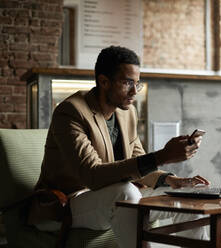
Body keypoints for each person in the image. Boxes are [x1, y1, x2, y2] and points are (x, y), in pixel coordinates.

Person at [28, 46, 210, 247]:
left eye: (137, 84)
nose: (134, 92)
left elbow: (139, 165)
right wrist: (163, 156)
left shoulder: (127, 112)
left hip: (110, 197)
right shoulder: (71, 112)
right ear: (104, 81)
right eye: (127, 83)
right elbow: (93, 176)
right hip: (65, 203)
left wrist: (171, 180)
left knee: (184, 194)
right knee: (126, 193)